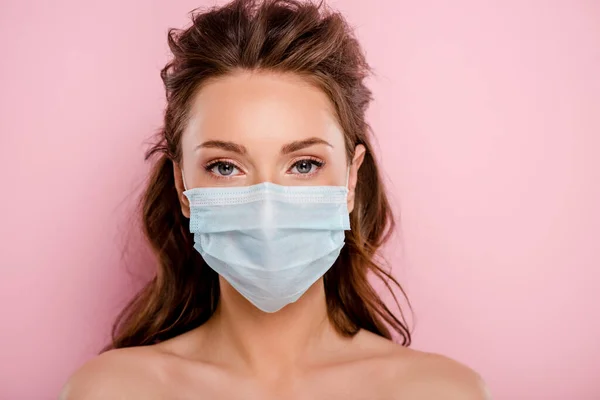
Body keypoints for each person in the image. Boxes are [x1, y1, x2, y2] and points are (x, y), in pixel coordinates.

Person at [61, 0, 489, 398]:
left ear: (352, 178)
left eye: (304, 164)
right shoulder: (113, 391)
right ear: (182, 187)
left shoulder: (442, 391)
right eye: (225, 166)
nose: (266, 208)